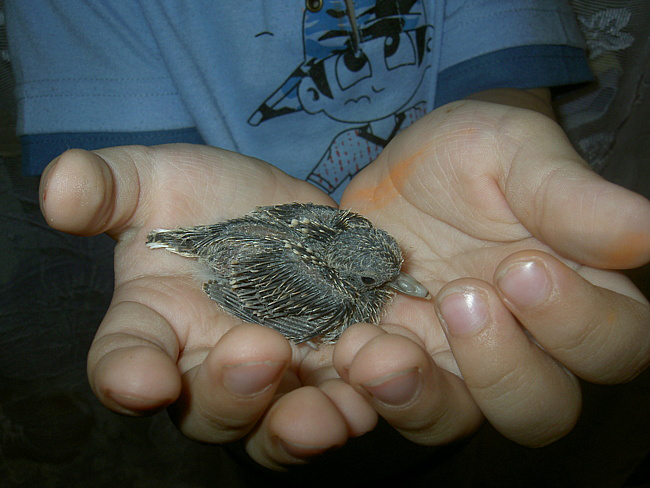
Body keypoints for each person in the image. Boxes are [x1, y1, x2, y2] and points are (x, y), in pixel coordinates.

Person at [6, 0, 650, 474]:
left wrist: (498, 128)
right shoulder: (326, 296)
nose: (397, 283)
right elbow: (250, 283)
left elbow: (504, 69)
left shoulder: (339, 239)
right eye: (375, 278)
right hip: (245, 305)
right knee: (285, 414)